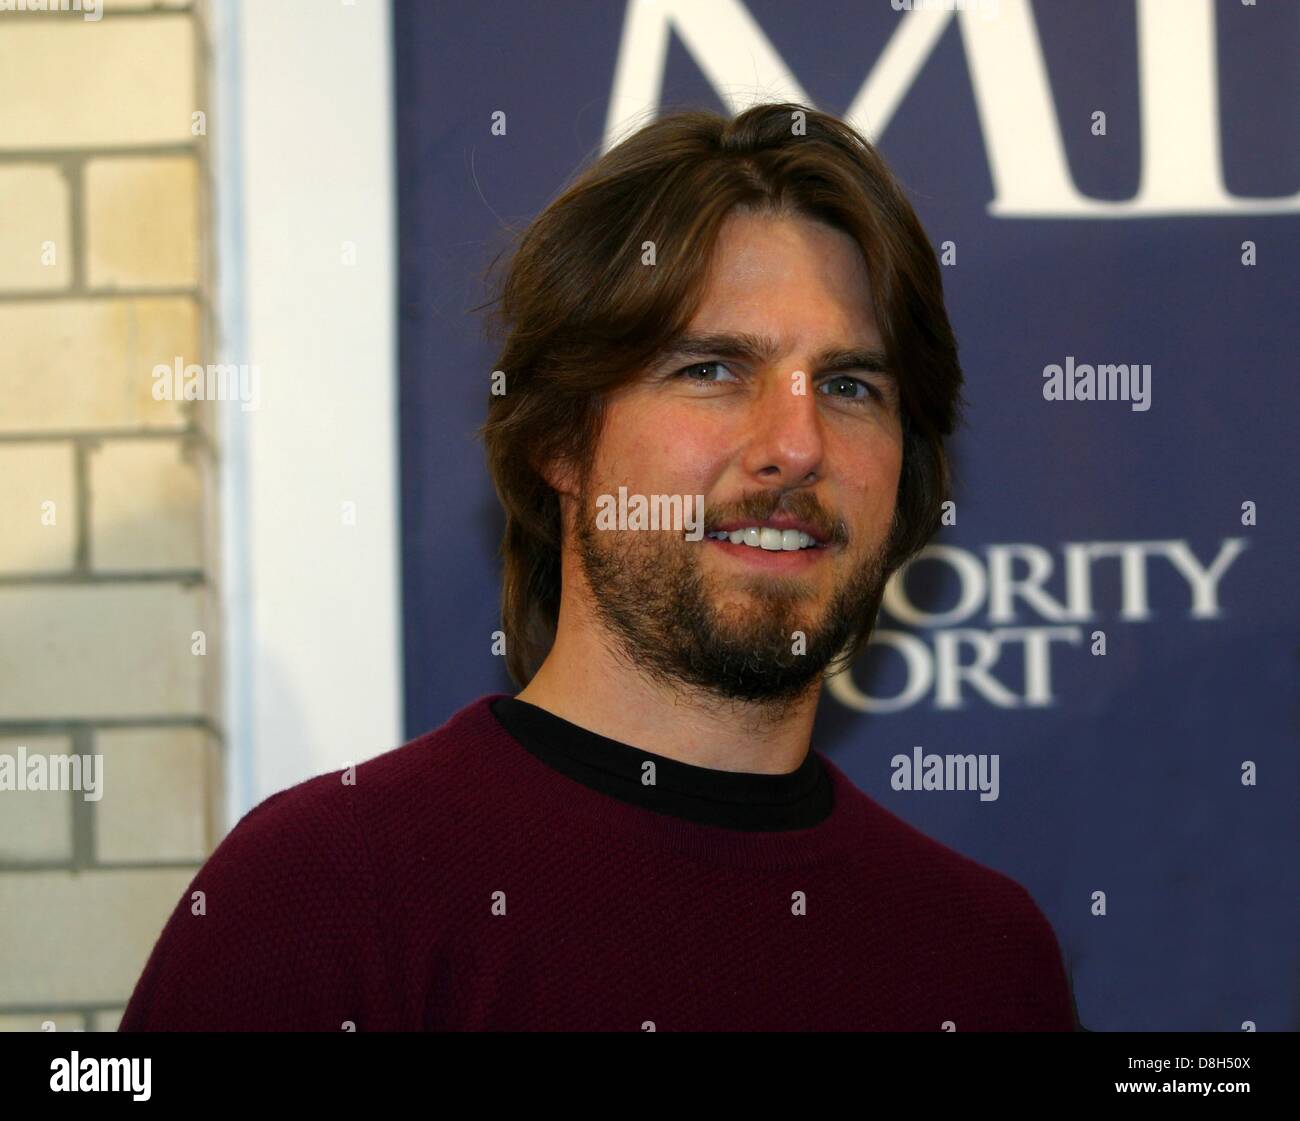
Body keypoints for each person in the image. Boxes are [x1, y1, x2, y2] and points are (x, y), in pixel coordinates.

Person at [121, 101, 1078, 1031]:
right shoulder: (326, 896)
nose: (796, 442)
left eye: (848, 385)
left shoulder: (986, 955)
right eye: (711, 369)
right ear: (560, 440)